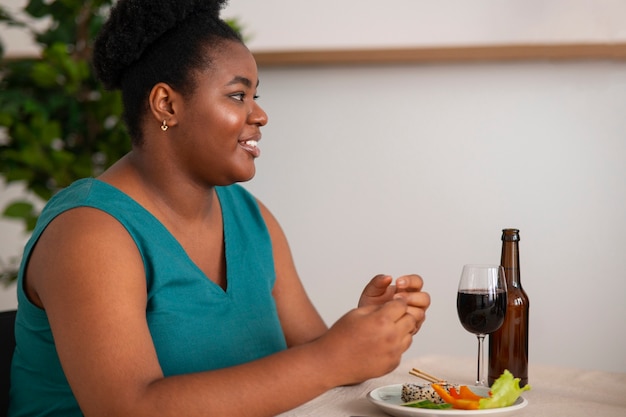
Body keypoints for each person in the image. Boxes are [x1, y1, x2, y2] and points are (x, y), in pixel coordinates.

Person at [8, 0, 431, 416]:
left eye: (255, 96)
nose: (260, 114)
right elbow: (128, 408)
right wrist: (331, 357)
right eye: (237, 95)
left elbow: (314, 360)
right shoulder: (89, 233)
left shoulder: (250, 217)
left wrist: (361, 336)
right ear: (167, 105)